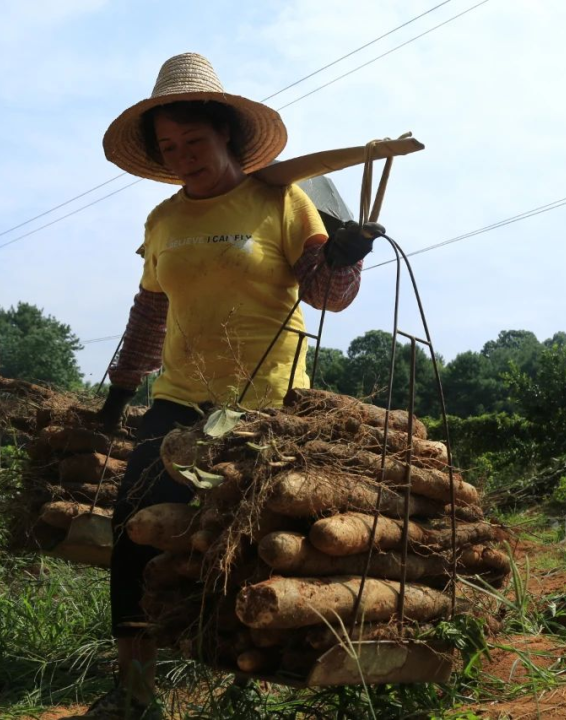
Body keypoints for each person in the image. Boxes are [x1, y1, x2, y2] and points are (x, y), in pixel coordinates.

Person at [70, 53, 380, 719]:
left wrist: (347, 260)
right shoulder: (164, 221)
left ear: (227, 138)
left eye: (194, 142)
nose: (182, 156)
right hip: (181, 396)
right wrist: (118, 398)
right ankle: (132, 691)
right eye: (169, 147)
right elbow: (150, 314)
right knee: (133, 521)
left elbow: (326, 294)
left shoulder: (281, 199)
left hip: (267, 399)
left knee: (253, 531)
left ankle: (263, 670)